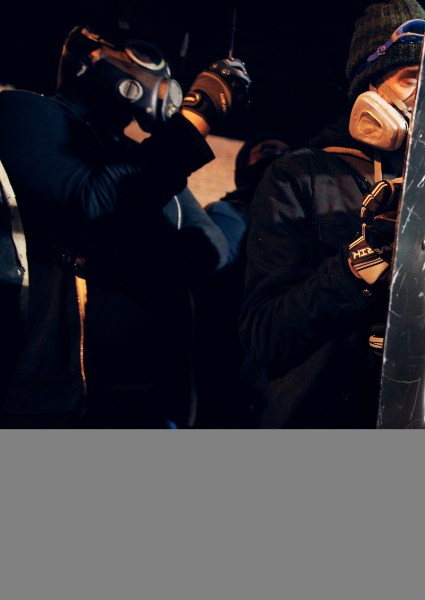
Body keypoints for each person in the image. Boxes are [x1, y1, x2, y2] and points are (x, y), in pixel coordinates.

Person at [0, 22, 250, 427]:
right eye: (145, 54)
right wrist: (194, 120)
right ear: (86, 55)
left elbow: (211, 249)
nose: (162, 73)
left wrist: (124, 255)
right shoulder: (24, 112)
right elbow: (95, 205)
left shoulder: (141, 159)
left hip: (146, 402)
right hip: (51, 402)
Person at [239, 0, 425, 427]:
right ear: (370, 91)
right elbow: (265, 336)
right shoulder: (298, 176)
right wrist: (361, 264)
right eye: (412, 79)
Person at [191, 133, 292, 428]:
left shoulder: (294, 226)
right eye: (269, 150)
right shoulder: (226, 213)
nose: (276, 159)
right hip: (223, 346)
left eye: (285, 154)